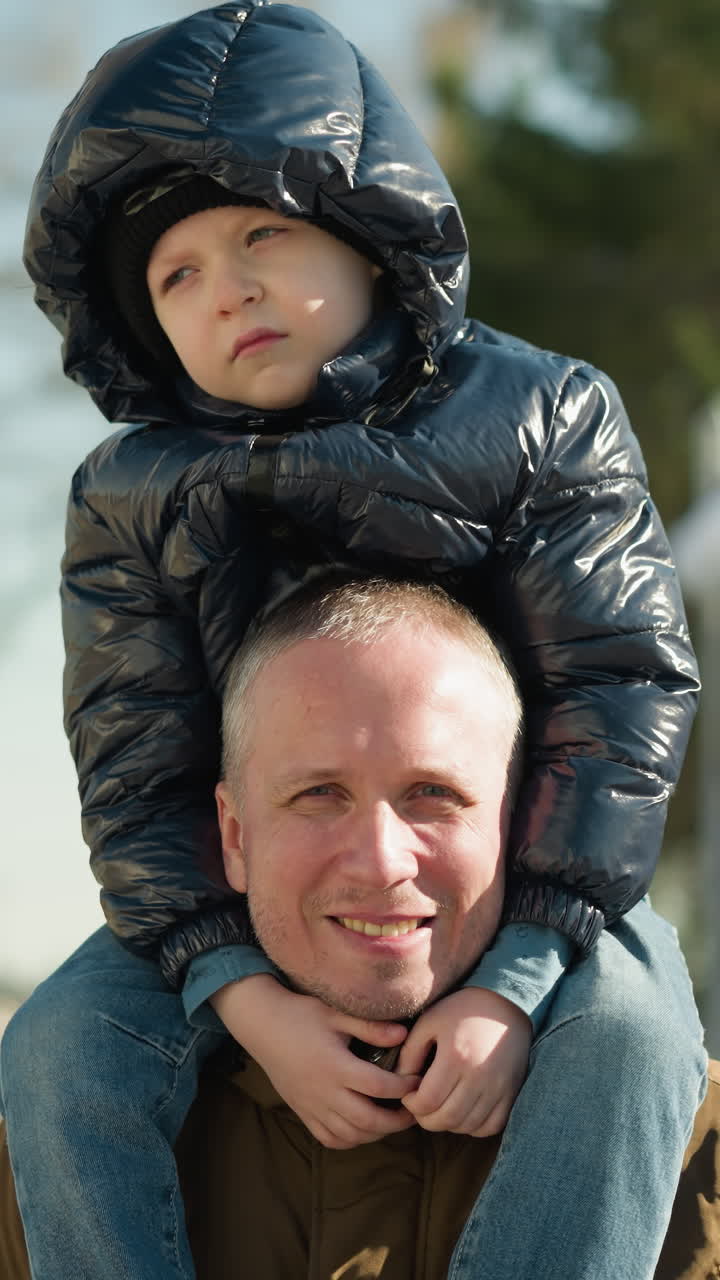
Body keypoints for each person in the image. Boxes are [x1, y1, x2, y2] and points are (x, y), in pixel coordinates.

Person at [0, 3, 706, 1277]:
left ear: (370, 229)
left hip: (539, 879)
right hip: (234, 909)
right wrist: (240, 994)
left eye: (264, 231)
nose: (233, 290)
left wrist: (525, 967)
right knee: (55, 1047)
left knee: (637, 1040)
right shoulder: (129, 491)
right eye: (178, 274)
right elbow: (134, 765)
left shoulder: (544, 413)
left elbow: (623, 686)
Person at [0, 577, 709, 1280]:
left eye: (434, 793)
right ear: (235, 836)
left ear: (519, 822)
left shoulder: (693, 1151)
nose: (380, 862)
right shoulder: (48, 1156)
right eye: (319, 794)